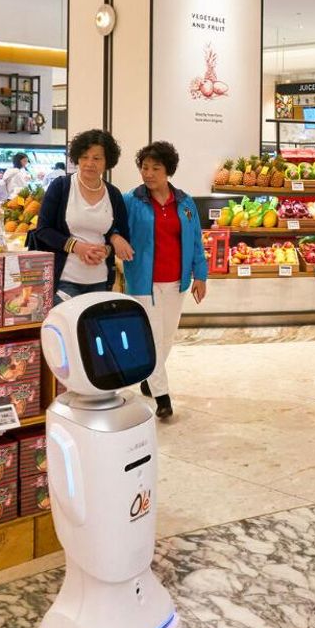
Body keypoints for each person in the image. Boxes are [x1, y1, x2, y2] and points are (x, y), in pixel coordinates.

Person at [123, 141, 208, 420]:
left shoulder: (185, 202)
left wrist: (200, 275)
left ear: (168, 170)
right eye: (144, 167)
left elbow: (196, 241)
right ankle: (162, 396)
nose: (148, 173)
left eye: (155, 168)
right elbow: (115, 230)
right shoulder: (131, 200)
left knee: (167, 336)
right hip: (143, 282)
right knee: (152, 338)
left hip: (176, 282)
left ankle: (150, 378)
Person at [30, 129, 134, 303]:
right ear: (77, 158)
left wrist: (107, 248)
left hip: (100, 281)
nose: (89, 163)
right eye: (84, 157)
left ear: (107, 161)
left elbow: (122, 235)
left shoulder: (113, 194)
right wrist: (77, 247)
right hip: (64, 280)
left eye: (97, 158)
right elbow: (43, 230)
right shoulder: (61, 187)